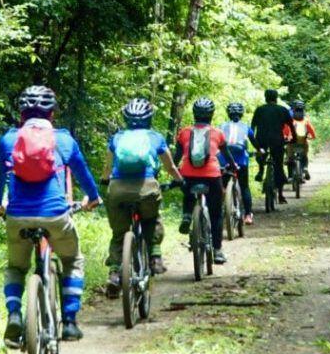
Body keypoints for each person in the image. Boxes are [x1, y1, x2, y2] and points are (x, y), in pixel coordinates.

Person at [0, 85, 101, 348]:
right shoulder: (63, 140)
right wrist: (93, 198)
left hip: (17, 217)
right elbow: (84, 174)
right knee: (72, 260)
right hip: (55, 216)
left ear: (21, 114)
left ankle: (15, 313)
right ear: (52, 114)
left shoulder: (9, 139)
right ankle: (71, 321)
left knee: (16, 268)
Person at [101, 96, 181, 295]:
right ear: (149, 118)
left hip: (118, 189)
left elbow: (107, 167)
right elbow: (169, 166)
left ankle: (114, 273)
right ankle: (155, 257)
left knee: (119, 234)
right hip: (146, 188)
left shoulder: (117, 138)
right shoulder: (155, 137)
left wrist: (104, 180)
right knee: (152, 219)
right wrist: (180, 180)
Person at [175, 97, 241, 264]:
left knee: (188, 193)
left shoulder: (184, 132)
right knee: (216, 214)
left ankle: (187, 215)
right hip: (211, 175)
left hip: (188, 174)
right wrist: (233, 167)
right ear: (211, 115)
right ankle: (218, 250)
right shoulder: (217, 133)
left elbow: (176, 157)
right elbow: (227, 155)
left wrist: (175, 173)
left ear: (194, 114)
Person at [249, 89, 291, 197]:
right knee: (278, 165)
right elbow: (291, 127)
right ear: (276, 98)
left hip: (261, 139)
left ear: (265, 97)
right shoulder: (282, 110)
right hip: (277, 140)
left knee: (261, 154)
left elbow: (252, 127)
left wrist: (253, 140)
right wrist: (293, 139)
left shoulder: (259, 110)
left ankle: (261, 170)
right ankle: (281, 194)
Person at [219, 101, 255, 226]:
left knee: (221, 187)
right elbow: (254, 142)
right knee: (244, 187)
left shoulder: (221, 126)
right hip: (241, 161)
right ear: (241, 114)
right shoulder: (246, 127)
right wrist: (260, 150)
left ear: (228, 114)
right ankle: (248, 215)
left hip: (223, 159)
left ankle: (220, 211)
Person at [284, 99, 317, 181]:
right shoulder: (306, 120)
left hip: (291, 143)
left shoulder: (290, 120)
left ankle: (290, 176)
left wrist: (285, 137)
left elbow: (285, 131)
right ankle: (305, 168)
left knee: (290, 158)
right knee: (304, 156)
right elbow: (312, 131)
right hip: (303, 142)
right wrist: (312, 137)